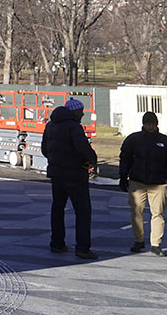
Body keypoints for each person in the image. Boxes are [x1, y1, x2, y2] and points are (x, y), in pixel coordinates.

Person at [41, 97, 98, 259]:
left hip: (56, 174)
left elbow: (45, 149)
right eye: (81, 111)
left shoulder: (50, 125)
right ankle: (82, 248)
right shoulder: (74, 127)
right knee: (83, 211)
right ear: (75, 111)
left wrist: (55, 162)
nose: (82, 114)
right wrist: (90, 161)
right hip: (75, 175)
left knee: (57, 209)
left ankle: (57, 243)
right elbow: (83, 148)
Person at [118, 111, 167, 255]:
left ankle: (155, 243)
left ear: (157, 124)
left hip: (159, 183)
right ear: (143, 124)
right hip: (137, 182)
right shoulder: (134, 139)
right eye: (148, 124)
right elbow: (125, 159)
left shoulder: (164, 141)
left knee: (157, 213)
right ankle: (139, 240)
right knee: (136, 211)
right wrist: (123, 176)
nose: (150, 127)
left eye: (152, 124)